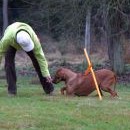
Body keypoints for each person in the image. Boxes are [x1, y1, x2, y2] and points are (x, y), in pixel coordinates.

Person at [0, 22, 54, 96]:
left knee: (37, 61)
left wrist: (46, 73)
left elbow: (41, 57)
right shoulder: (7, 39)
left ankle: (49, 89)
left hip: (25, 34)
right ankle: (12, 91)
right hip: (12, 40)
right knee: (8, 64)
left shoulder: (33, 38)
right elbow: (0, 53)